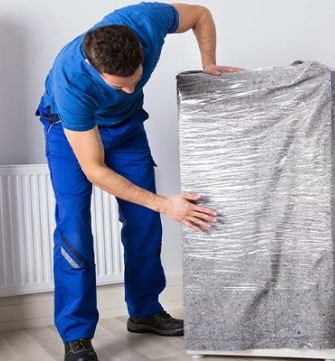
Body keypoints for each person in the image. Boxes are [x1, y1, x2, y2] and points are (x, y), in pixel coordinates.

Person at [35, 3, 239, 360]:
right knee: (74, 226)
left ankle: (144, 311)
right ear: (95, 71)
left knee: (144, 221)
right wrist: (165, 203)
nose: (131, 90)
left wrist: (209, 61)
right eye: (119, 86)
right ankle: (76, 335)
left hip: (127, 129)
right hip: (69, 132)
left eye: (135, 80)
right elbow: (95, 169)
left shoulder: (146, 21)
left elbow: (201, 14)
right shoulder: (72, 82)